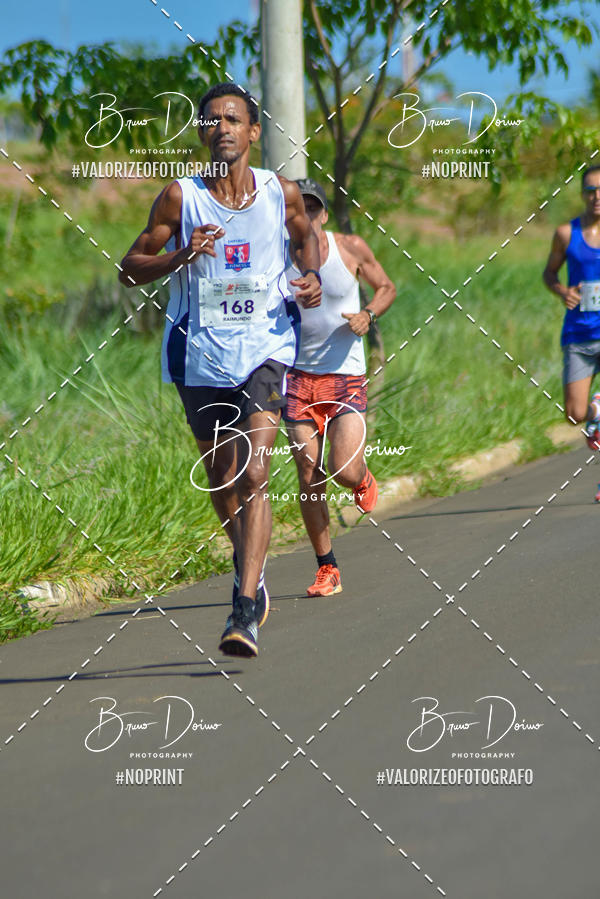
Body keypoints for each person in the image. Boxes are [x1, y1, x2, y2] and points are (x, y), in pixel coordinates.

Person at [119, 83, 321, 657]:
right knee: (223, 479)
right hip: (199, 351)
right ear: (201, 132)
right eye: (211, 121)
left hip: (265, 347)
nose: (222, 128)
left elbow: (306, 242)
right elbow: (128, 269)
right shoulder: (180, 199)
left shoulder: (279, 193)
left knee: (256, 476)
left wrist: (309, 279)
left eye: (233, 119)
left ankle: (244, 605)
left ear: (254, 132)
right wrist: (180, 256)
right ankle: (246, 557)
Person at [284, 179, 396, 596]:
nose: (306, 217)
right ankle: (327, 567)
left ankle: (362, 479)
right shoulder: (276, 253)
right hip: (296, 379)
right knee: (309, 474)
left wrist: (368, 314)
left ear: (324, 214)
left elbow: (387, 287)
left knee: (344, 471)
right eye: (297, 209)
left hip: (345, 377)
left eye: (312, 209)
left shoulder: (350, 247)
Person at [543, 165, 600, 483]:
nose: (597, 196)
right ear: (582, 193)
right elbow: (549, 273)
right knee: (573, 415)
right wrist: (562, 290)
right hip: (578, 334)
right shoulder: (567, 233)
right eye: (590, 190)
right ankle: (596, 410)